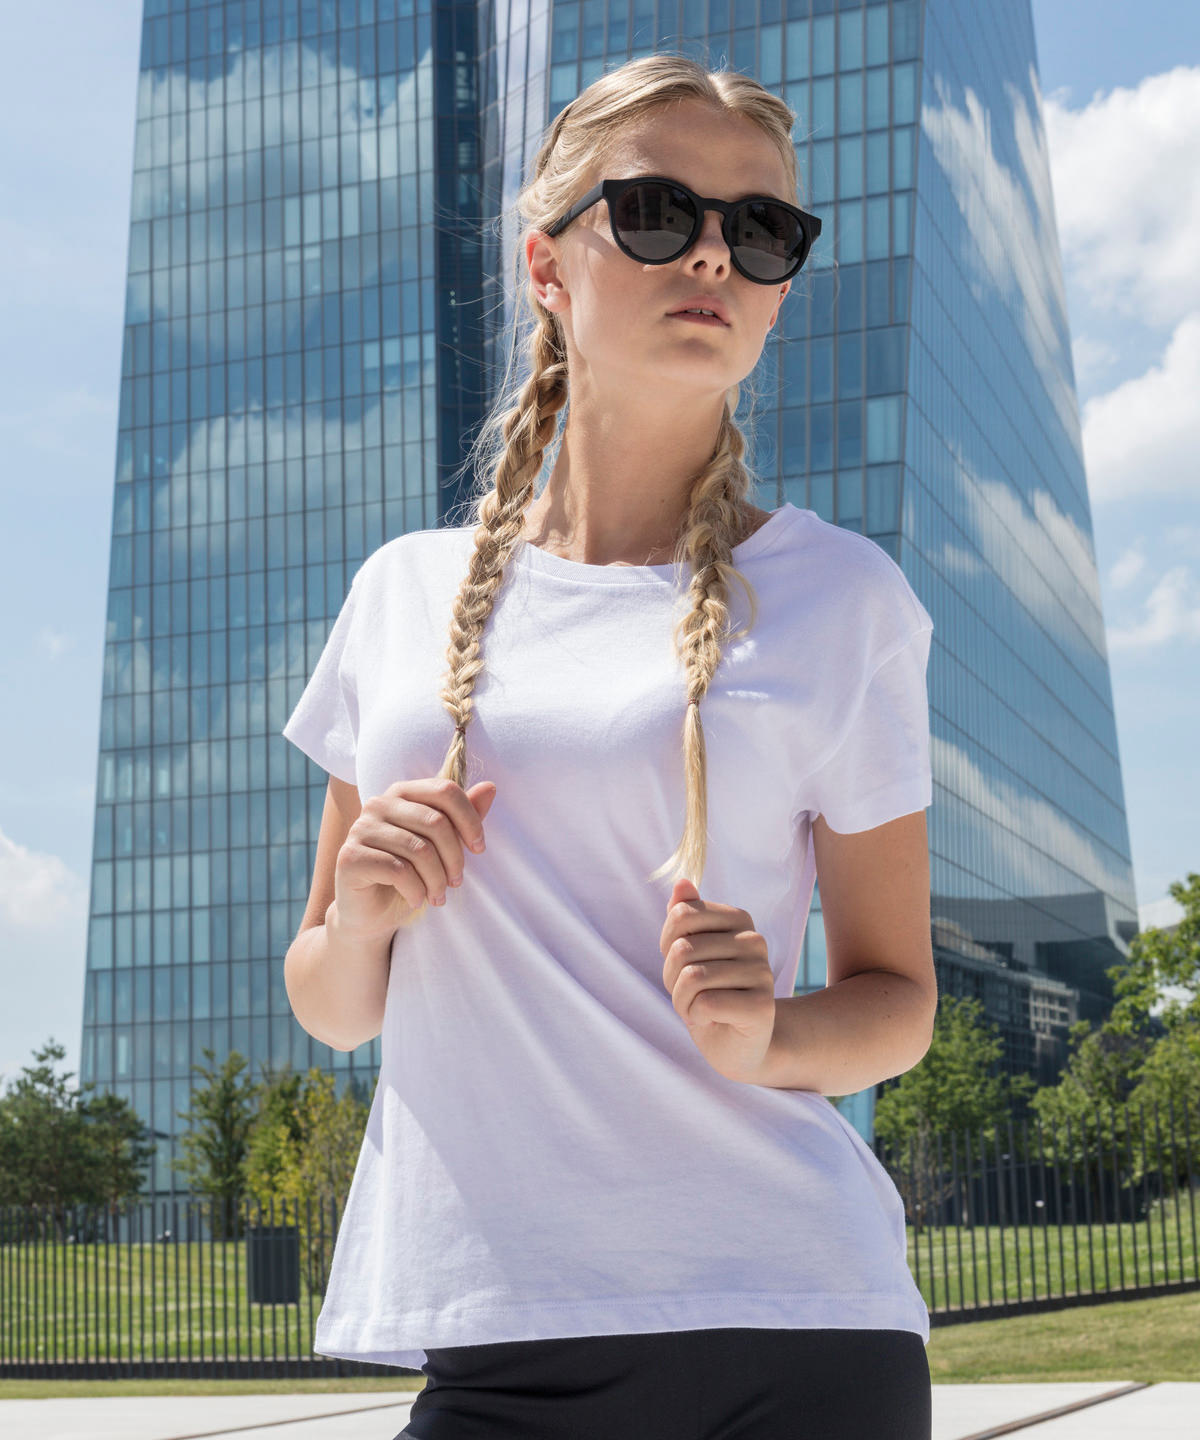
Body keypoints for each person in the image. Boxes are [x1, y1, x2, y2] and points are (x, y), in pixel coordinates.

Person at [281, 52, 935, 1440]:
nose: (712, 251)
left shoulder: (845, 597)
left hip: (795, 1327)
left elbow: (898, 1001)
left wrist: (764, 1035)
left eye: (761, 231)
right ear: (547, 264)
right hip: (499, 1335)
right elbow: (336, 1003)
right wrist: (362, 915)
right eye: (654, 211)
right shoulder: (404, 589)